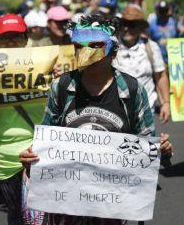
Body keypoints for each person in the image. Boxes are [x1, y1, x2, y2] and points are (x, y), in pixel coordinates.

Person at [20, 14, 172, 225]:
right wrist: (31, 156)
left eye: (95, 46)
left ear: (113, 51)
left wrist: (160, 149)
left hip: (115, 208)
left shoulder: (132, 90)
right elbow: (46, 141)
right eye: (79, 46)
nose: (86, 53)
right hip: (68, 207)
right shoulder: (61, 86)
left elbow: (146, 145)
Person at [0, 14, 44, 224]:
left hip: (39, 151)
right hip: (4, 156)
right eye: (5, 37)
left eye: (16, 36)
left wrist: (58, 76)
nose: (10, 42)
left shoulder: (43, 64)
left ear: (26, 38)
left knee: (41, 216)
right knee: (16, 214)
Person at [114, 5, 171, 124]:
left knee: (144, 143)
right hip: (116, 111)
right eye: (123, 24)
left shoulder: (151, 47)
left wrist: (166, 103)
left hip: (145, 111)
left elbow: (161, 76)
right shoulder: (111, 46)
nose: (126, 28)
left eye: (132, 25)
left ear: (140, 27)